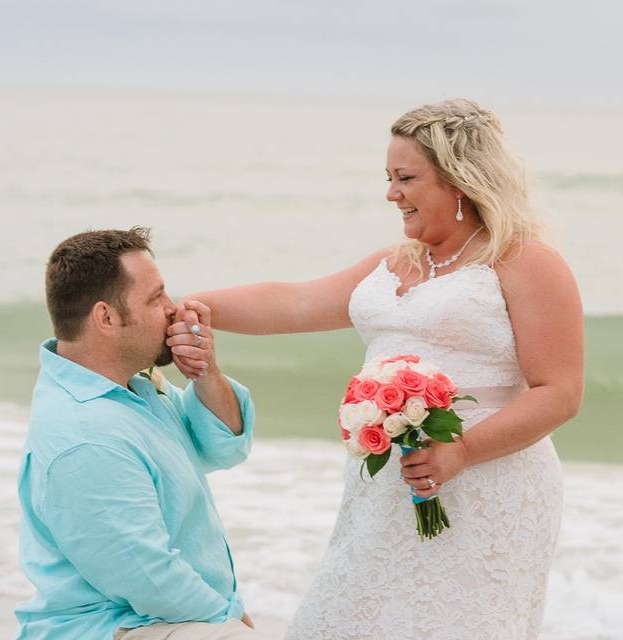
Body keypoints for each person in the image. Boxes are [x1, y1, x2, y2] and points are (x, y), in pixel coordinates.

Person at [175, 99, 584, 639]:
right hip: (388, 483)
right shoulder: (398, 260)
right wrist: (185, 307)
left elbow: (559, 391)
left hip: (488, 483)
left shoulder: (526, 261)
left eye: (406, 178)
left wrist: (460, 452)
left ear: (459, 181)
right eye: (389, 177)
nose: (391, 193)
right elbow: (296, 303)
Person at [14, 228, 263, 640]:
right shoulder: (84, 435)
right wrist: (228, 618)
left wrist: (206, 372)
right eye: (156, 298)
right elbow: (147, 576)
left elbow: (224, 447)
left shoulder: (132, 386)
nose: (174, 308)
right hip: (111, 627)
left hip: (163, 616)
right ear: (106, 318)